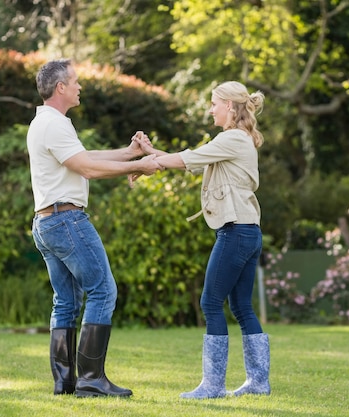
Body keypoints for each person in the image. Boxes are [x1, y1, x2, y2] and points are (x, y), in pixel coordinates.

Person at [27, 58, 161, 398]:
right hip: (66, 220)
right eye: (75, 81)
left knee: (66, 302)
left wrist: (129, 153)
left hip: (46, 222)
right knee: (103, 291)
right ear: (61, 88)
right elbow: (87, 169)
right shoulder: (54, 124)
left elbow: (84, 157)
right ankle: (91, 379)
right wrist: (141, 165)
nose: (79, 86)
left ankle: (66, 382)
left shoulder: (47, 123)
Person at [134, 81, 271, 399]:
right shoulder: (236, 141)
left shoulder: (233, 138)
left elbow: (187, 159)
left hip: (235, 232)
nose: (210, 109)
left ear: (230, 107)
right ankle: (258, 382)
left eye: (214, 103)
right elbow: (193, 161)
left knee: (210, 302)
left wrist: (146, 163)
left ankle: (213, 386)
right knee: (241, 306)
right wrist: (152, 154)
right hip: (248, 232)